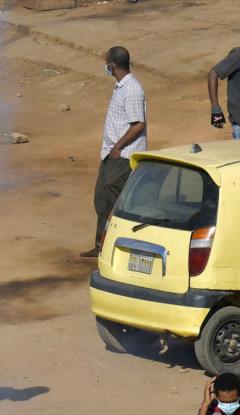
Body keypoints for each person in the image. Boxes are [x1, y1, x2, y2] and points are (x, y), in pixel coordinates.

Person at [80, 46, 147, 259]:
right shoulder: (121, 87)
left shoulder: (132, 90)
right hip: (110, 154)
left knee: (117, 202)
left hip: (123, 156)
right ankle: (101, 244)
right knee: (102, 200)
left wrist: (118, 147)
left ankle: (121, 249)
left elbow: (138, 125)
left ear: (112, 65)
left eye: (107, 63)